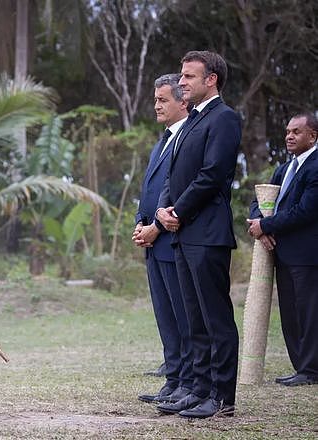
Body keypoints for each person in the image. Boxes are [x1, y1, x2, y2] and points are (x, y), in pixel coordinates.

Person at [155, 51, 241, 418]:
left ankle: (223, 398)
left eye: (189, 76)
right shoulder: (192, 121)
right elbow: (178, 173)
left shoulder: (224, 119)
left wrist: (179, 210)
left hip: (207, 233)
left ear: (212, 80)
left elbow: (212, 174)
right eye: (182, 75)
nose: (182, 82)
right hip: (183, 233)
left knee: (215, 318)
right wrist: (164, 211)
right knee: (194, 319)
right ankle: (198, 388)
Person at [133, 73, 193, 405]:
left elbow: (178, 191)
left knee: (183, 316)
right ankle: (173, 379)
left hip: (173, 238)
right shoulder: (163, 140)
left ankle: (187, 382)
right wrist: (140, 224)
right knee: (165, 315)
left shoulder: (188, 138)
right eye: (155, 99)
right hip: (153, 242)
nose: (156, 105)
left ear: (183, 101)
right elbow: (149, 190)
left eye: (163, 100)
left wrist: (157, 226)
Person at [248, 112, 318, 387]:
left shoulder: (315, 166)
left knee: (309, 312)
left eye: (296, 132)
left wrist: (266, 226)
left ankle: (311, 369)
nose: (289, 136)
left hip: (307, 254)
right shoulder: (286, 168)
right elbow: (262, 197)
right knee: (289, 312)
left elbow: (306, 211)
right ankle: (301, 367)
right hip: (283, 252)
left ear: (312, 135)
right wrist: (259, 222)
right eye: (288, 131)